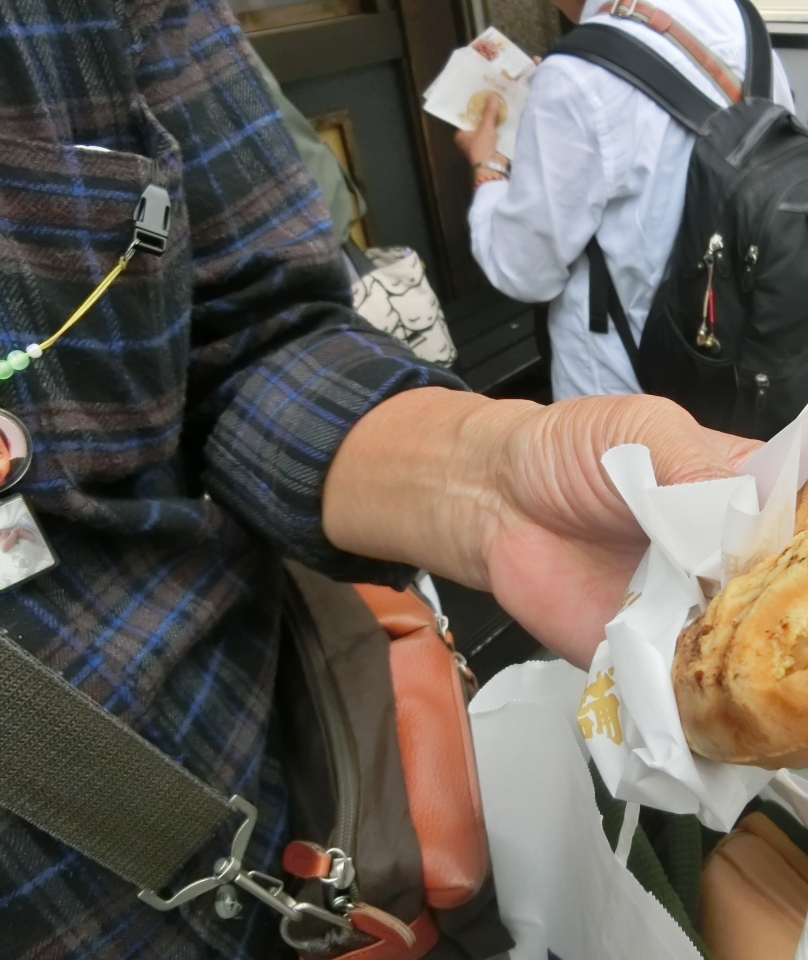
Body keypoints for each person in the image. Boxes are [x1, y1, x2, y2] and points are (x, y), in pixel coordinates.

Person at [0, 3, 758, 957]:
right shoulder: (733, 25)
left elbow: (259, 328)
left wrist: (492, 479)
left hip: (283, 833)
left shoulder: (574, 77)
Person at [456, 0, 795, 401]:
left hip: (624, 396)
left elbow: (524, 269)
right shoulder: (737, 16)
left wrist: (488, 166)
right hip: (744, 360)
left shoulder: (576, 75)